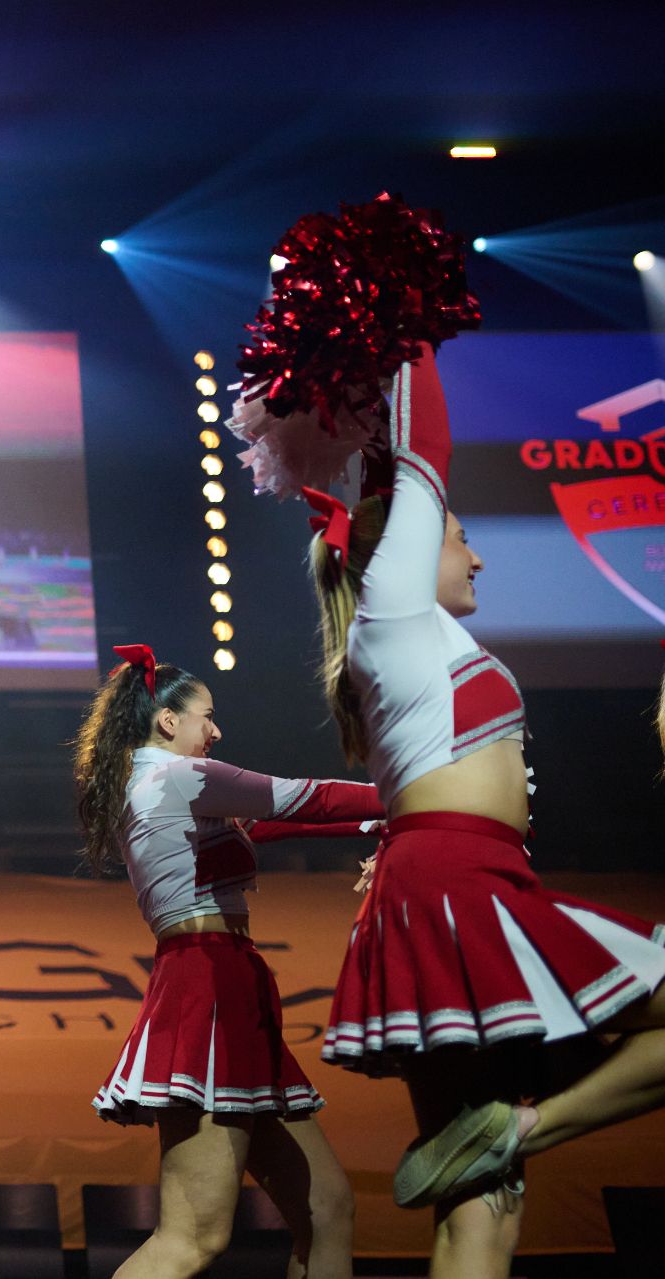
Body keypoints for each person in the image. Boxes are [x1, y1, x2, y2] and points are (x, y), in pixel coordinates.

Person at [309, 349, 665, 1277]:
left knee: (483, 1209)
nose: (477, 549)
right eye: (460, 533)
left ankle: (500, 1138)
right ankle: (523, 1125)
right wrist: (408, 335)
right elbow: (424, 454)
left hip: (451, 889)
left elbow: (396, 472)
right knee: (496, 1172)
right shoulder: (394, 621)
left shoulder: (409, 637)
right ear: (406, 552)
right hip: (461, 891)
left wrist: (368, 404)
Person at [75, 644, 383, 1279]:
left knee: (327, 1212)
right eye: (206, 717)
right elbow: (304, 799)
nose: (215, 731)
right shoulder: (171, 775)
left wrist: (388, 823)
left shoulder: (160, 783)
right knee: (192, 1239)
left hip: (230, 981)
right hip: (205, 984)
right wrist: (422, 796)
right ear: (168, 721)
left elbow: (277, 825)